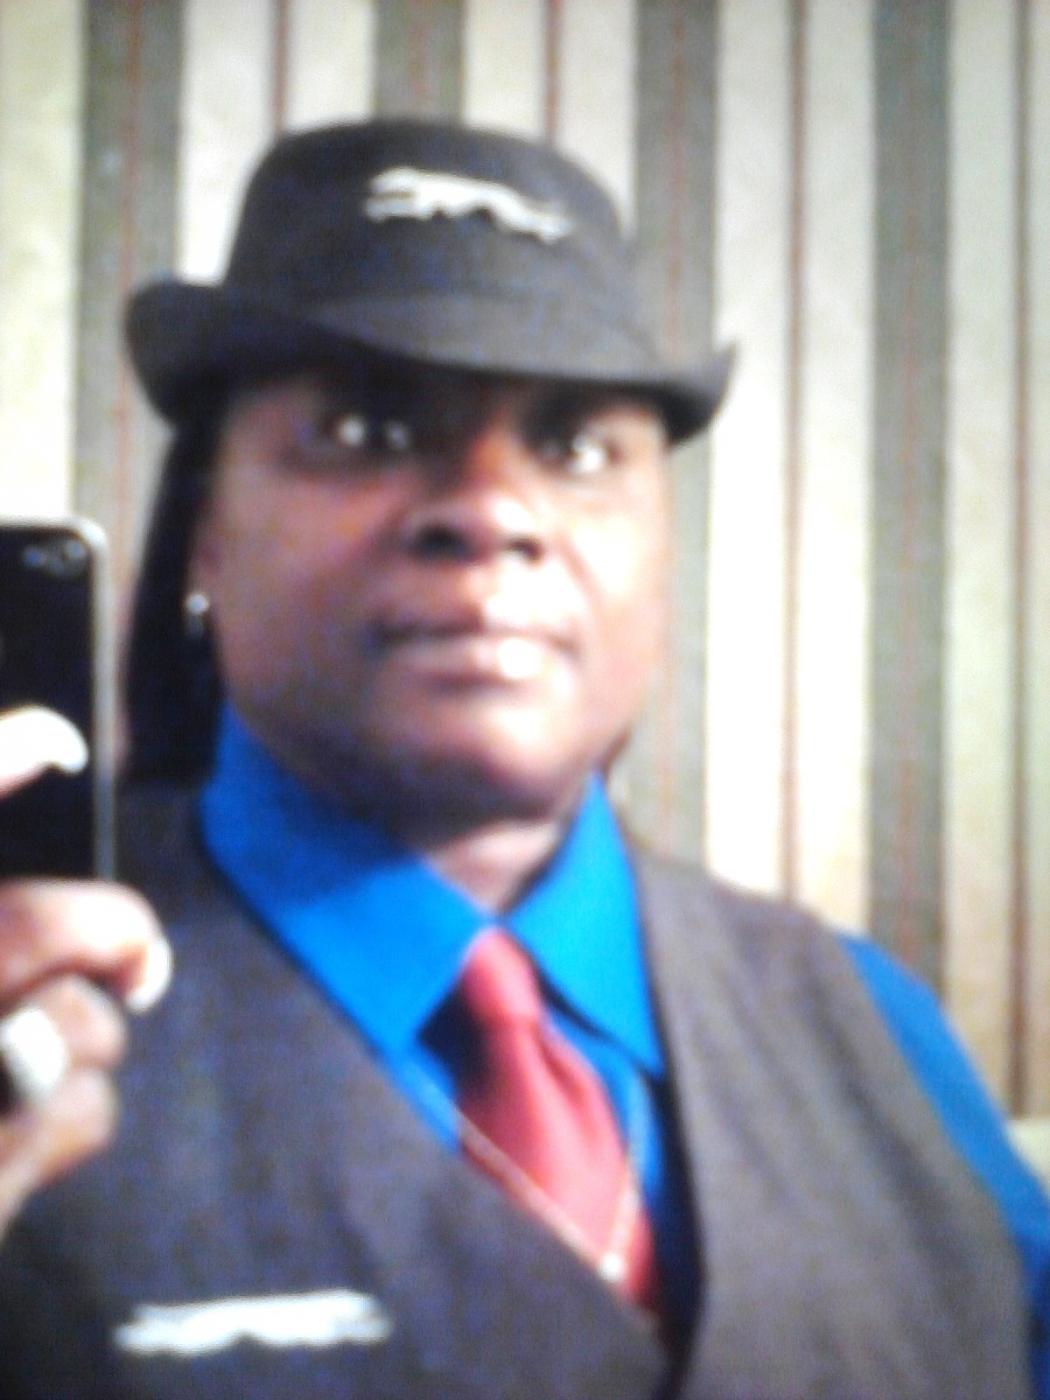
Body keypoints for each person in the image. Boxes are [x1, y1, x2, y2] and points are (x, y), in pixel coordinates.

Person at [0, 118, 1046, 1399]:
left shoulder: (878, 1027)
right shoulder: (29, 995)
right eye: (368, 427)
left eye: (575, 447)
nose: (494, 508)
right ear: (207, 531)